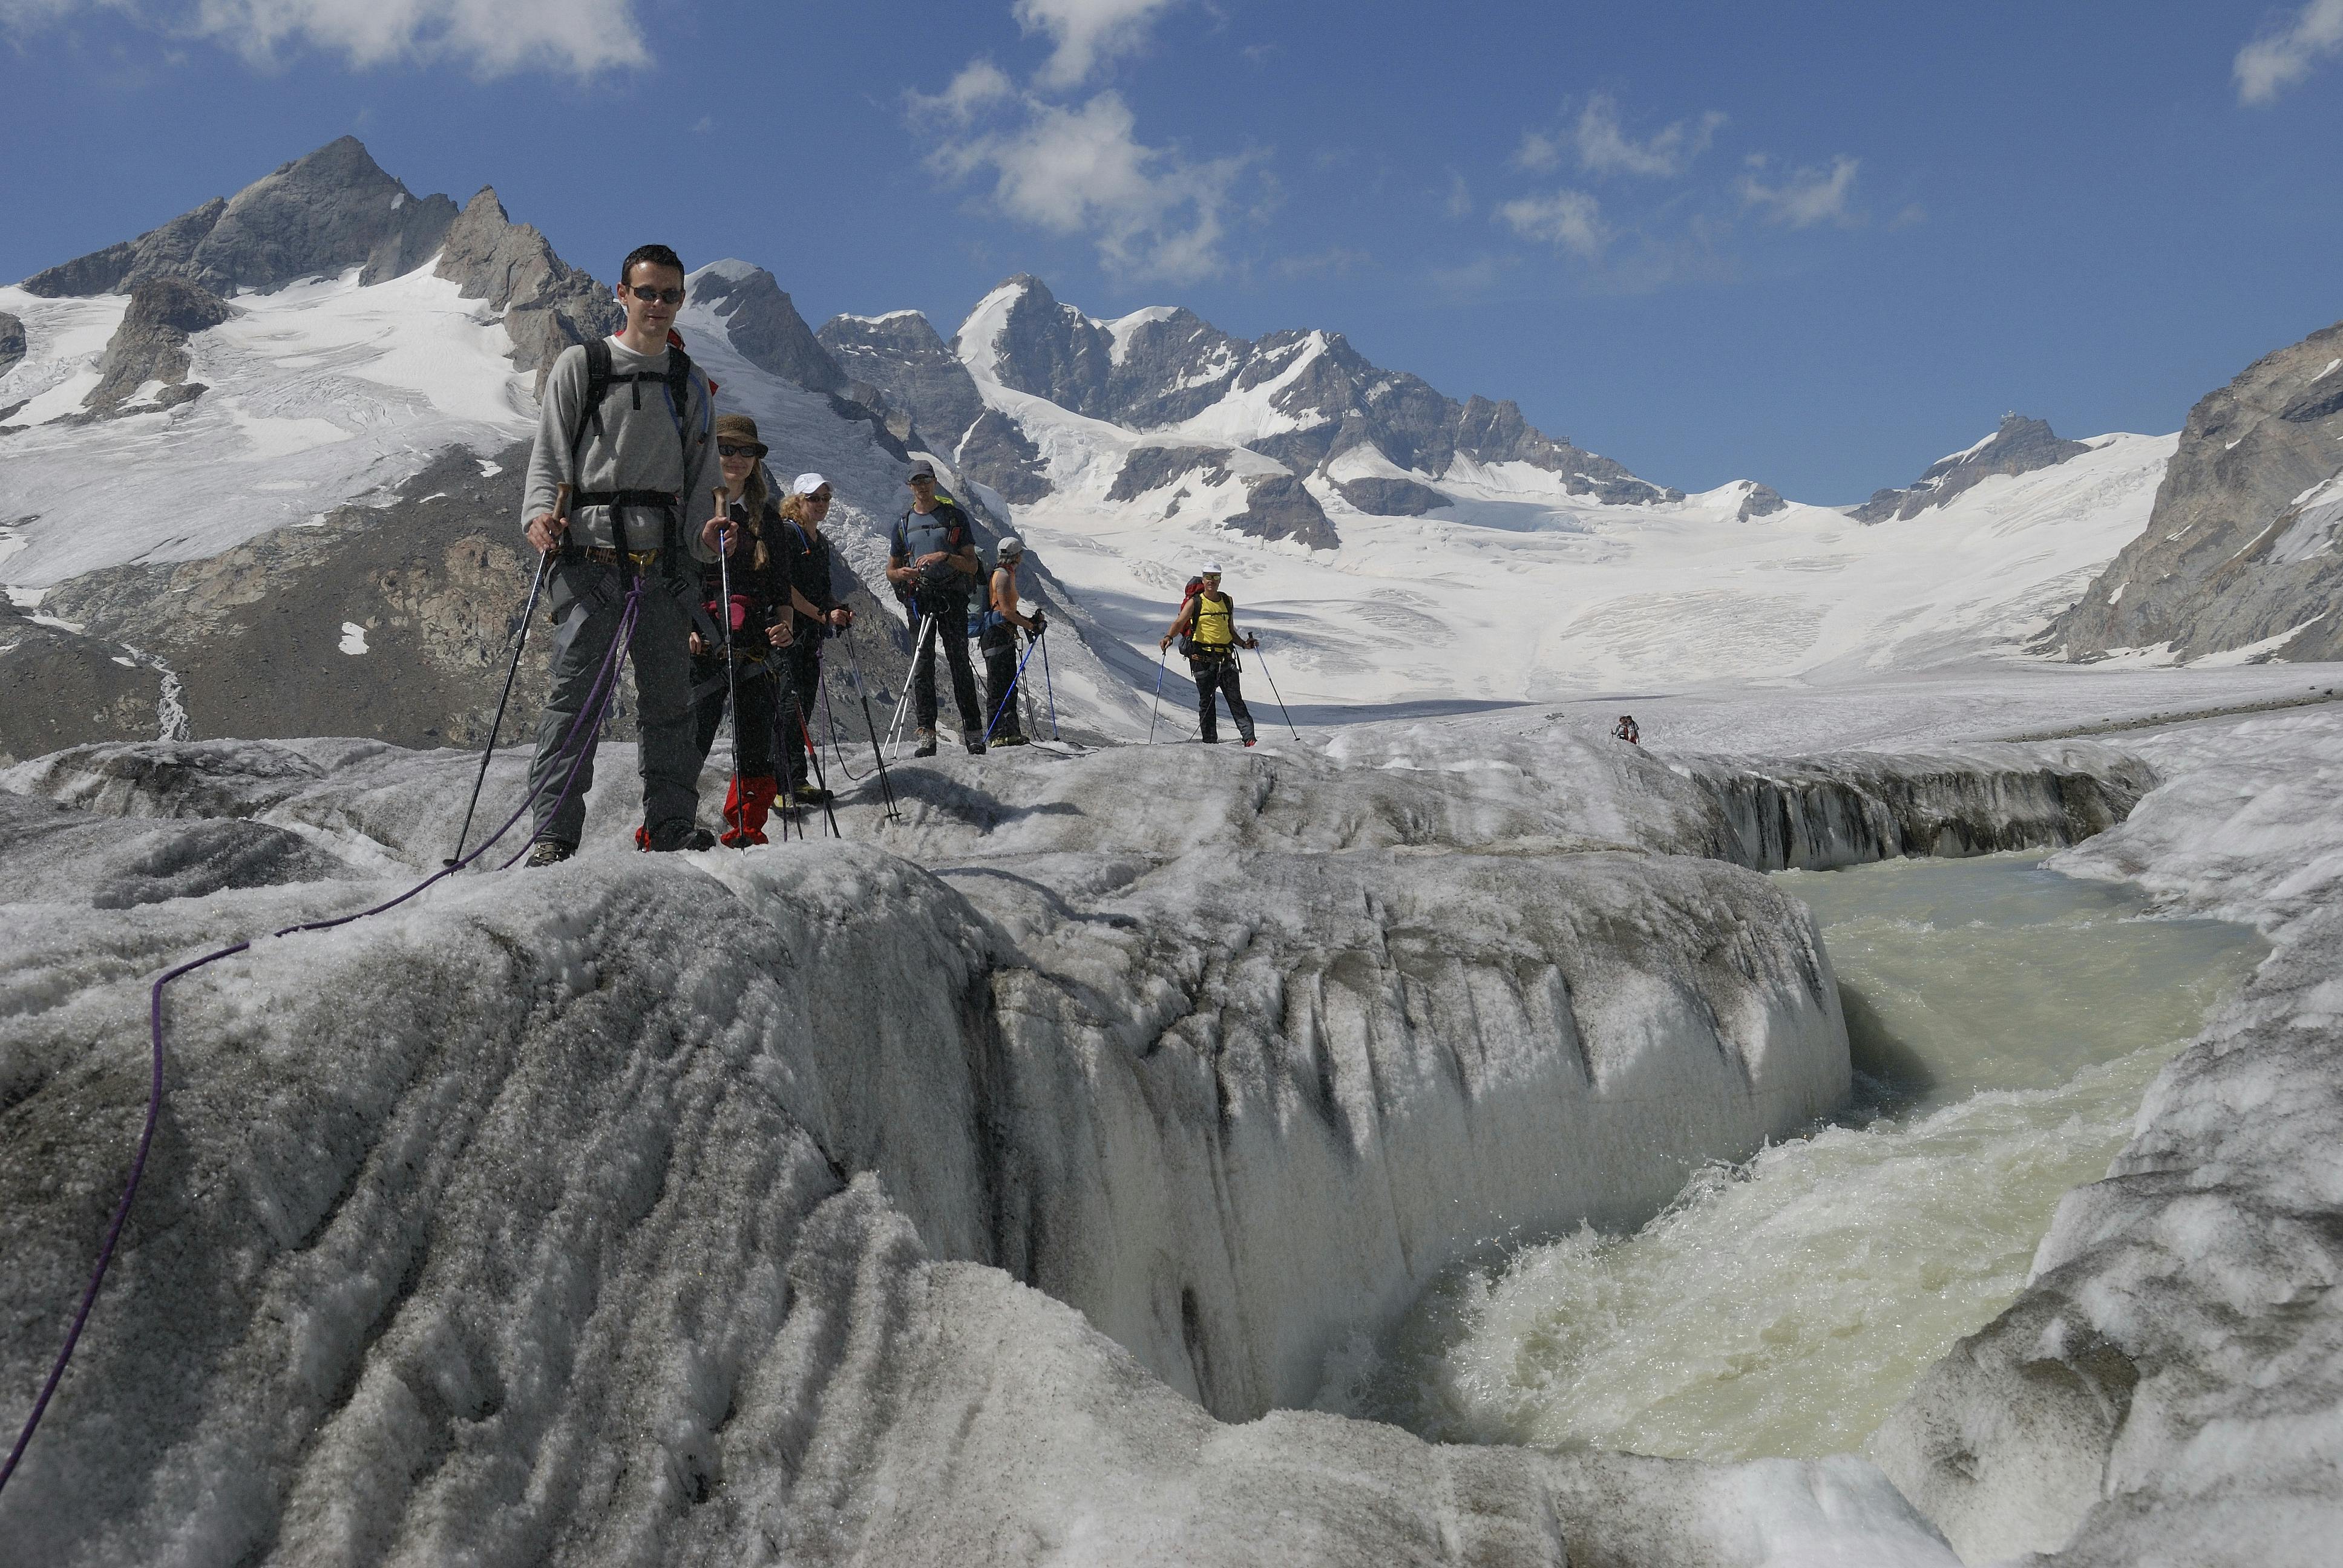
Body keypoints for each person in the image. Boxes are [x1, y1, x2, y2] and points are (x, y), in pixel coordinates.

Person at [520, 243, 731, 863]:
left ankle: (669, 825)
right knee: (575, 698)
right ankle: (554, 834)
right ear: (622, 294)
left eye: (669, 294)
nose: (658, 304)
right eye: (647, 292)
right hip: (589, 559)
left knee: (669, 703)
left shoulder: (688, 381)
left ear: (681, 301)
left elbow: (702, 476)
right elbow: (549, 455)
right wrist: (539, 513)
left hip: (664, 567)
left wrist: (708, 534)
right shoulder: (580, 366)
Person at [688, 414, 785, 844]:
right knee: (691, 739)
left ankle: (748, 829)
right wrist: (683, 630)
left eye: (747, 451)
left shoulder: (771, 521)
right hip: (700, 641)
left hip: (755, 645)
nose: (738, 458)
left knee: (755, 741)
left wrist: (785, 625)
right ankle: (667, 823)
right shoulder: (689, 510)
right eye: (728, 449)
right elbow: (678, 578)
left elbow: (782, 588)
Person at [885, 459, 985, 757]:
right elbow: (891, 569)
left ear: (934, 482)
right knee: (923, 666)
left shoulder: (955, 518)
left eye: (926, 480)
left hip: (952, 597)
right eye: (917, 482)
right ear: (910, 486)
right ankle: (927, 735)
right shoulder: (902, 524)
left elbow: (972, 564)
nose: (922, 486)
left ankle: (974, 734)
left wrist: (944, 556)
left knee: (959, 663)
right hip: (921, 598)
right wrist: (901, 574)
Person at [771, 471, 855, 801]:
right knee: (788, 705)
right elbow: (784, 589)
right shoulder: (789, 536)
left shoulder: (818, 542)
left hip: (809, 635)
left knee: (801, 706)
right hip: (791, 632)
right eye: (813, 498)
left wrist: (837, 607)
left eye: (825, 498)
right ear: (797, 500)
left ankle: (796, 780)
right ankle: (781, 785)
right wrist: (822, 616)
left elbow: (822, 590)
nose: (820, 504)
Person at [1159, 561, 1258, 746]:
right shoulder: (1195, 602)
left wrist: (1244, 644)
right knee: (1207, 703)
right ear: (1203, 579)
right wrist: (1168, 637)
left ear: (1220, 579)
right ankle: (1210, 742)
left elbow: (1230, 631)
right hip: (1202, 660)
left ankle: (1249, 739)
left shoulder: (1227, 601)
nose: (1211, 581)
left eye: (1215, 577)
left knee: (1235, 700)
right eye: (1208, 577)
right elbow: (1180, 623)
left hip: (1226, 659)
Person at [978, 536, 1045, 746]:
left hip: (997, 636)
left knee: (1005, 684)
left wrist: (1027, 621)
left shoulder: (1000, 573)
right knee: (1001, 686)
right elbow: (1007, 612)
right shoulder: (1004, 577)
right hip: (998, 636)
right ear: (1017, 556)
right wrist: (1032, 626)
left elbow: (1005, 609)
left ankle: (1008, 733)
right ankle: (999, 735)